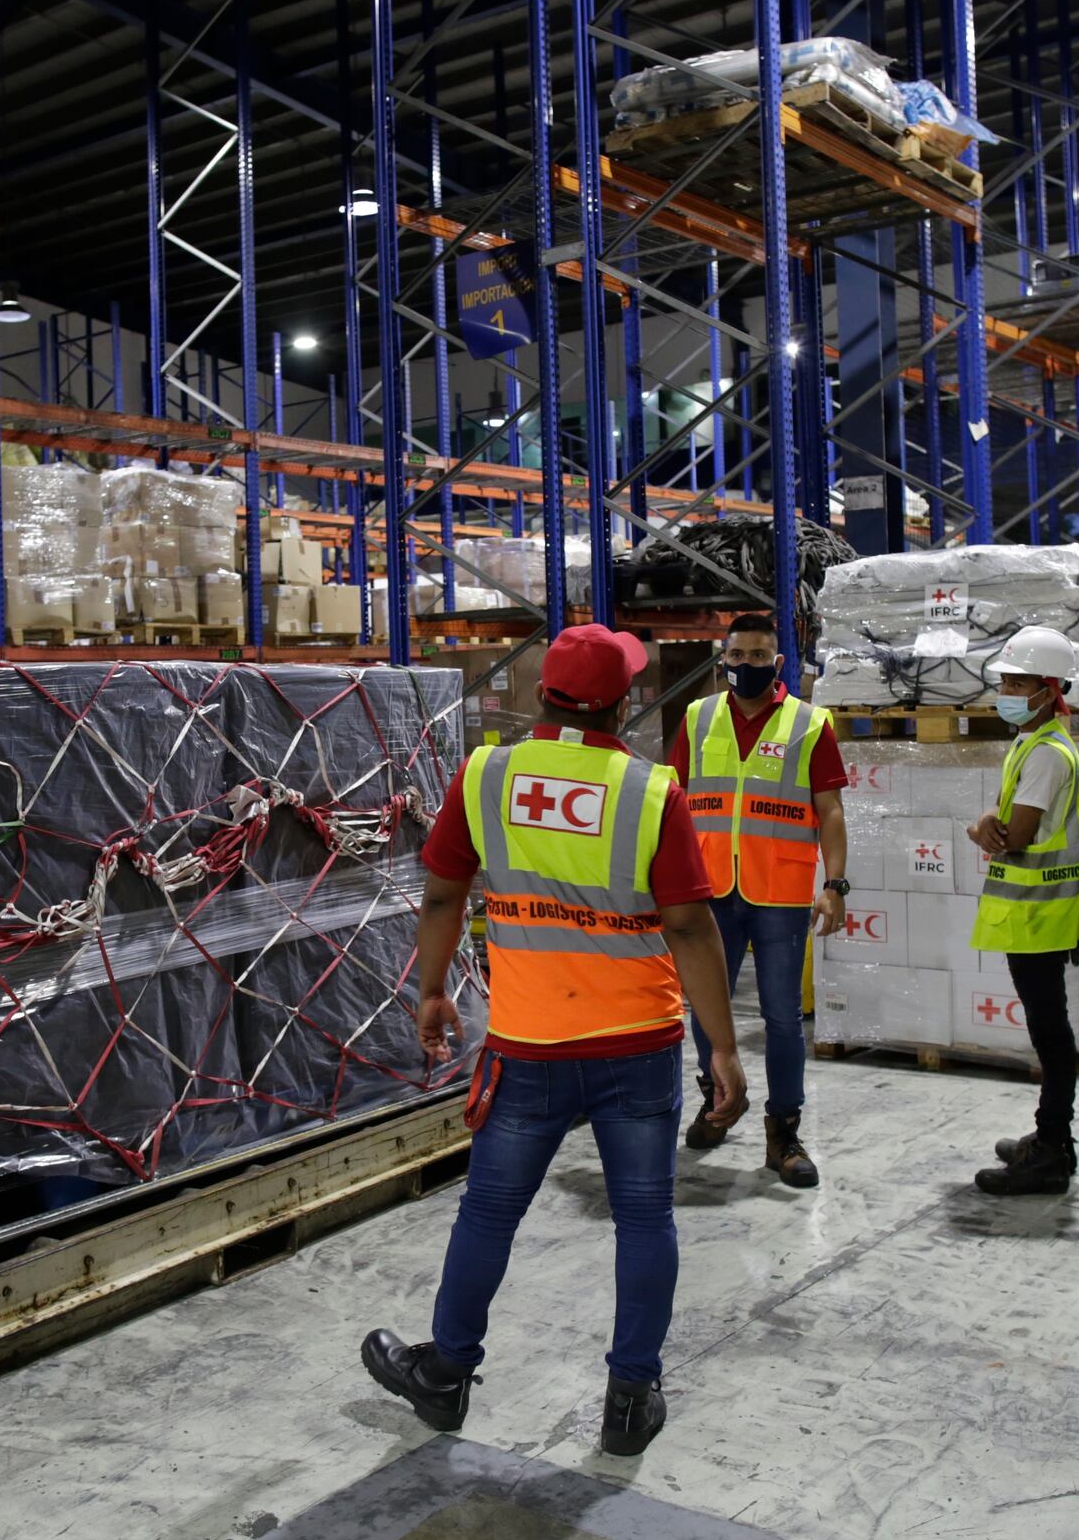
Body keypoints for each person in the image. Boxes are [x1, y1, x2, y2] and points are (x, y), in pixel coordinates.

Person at [363, 623, 746, 1459]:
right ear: (625, 702)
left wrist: (431, 991)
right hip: (638, 1043)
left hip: (528, 1046)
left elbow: (440, 897)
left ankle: (446, 1372)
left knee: (490, 1213)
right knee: (645, 1219)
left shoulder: (487, 775)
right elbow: (688, 924)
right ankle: (630, 1397)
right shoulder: (651, 791)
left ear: (542, 697)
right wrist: (721, 1046)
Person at [668, 612, 848, 1189]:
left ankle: (783, 1133)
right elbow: (672, 803)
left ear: (779, 661)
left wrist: (834, 883)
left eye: (758, 655)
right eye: (737, 655)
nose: (746, 665)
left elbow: (831, 812)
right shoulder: (697, 719)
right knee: (704, 1010)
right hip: (709, 893)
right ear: (723, 659)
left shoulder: (808, 723)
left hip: (780, 893)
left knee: (781, 1019)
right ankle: (718, 1102)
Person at [966, 626, 1079, 1197]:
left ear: (1050, 688)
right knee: (1049, 1029)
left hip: (1039, 914)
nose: (1008, 690)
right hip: (1033, 914)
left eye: (1020, 682)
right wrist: (993, 818)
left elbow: (1014, 834)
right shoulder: (1031, 742)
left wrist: (979, 827)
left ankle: (1051, 1150)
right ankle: (1051, 1141)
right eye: (1006, 680)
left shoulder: (1047, 754)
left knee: (1050, 1032)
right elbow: (1008, 814)